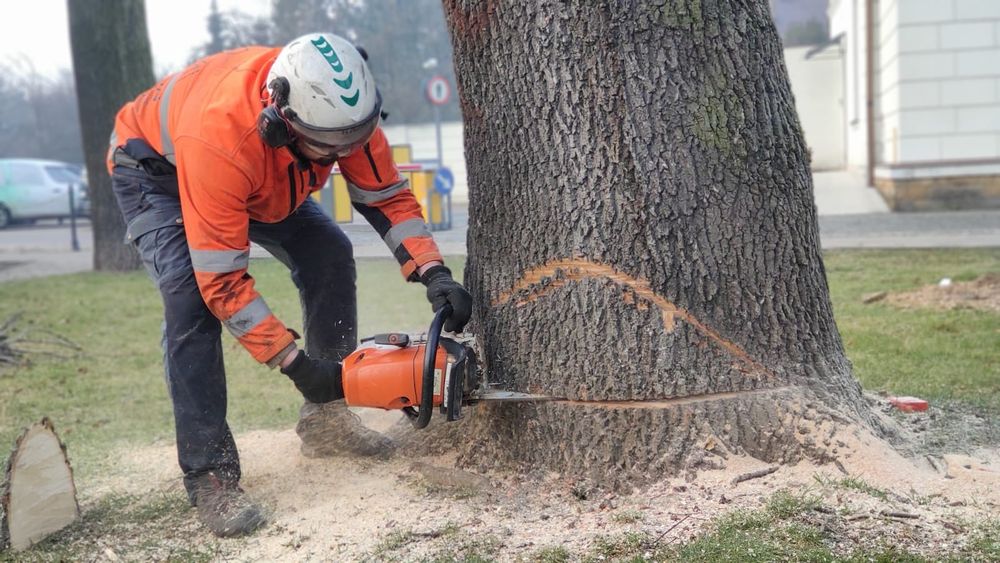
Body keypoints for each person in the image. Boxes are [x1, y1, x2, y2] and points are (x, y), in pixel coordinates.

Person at [106, 32, 472, 537]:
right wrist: (297, 365)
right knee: (191, 302)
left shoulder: (343, 112)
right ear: (281, 120)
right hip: (158, 173)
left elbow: (385, 196)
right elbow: (225, 285)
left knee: (329, 253)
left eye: (353, 141)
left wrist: (435, 273)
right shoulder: (224, 138)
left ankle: (327, 422)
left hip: (265, 175)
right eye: (330, 149)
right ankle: (210, 475)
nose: (343, 155)